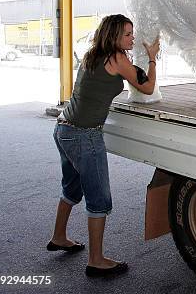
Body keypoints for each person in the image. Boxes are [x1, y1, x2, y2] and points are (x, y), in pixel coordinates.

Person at [47, 14, 159, 277]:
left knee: (71, 189)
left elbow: (98, 87)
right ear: (115, 37)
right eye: (128, 34)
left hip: (64, 129)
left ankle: (59, 236)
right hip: (84, 136)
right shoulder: (118, 59)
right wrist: (152, 57)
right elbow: (149, 87)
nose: (133, 38)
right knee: (99, 199)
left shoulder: (93, 54)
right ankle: (96, 260)